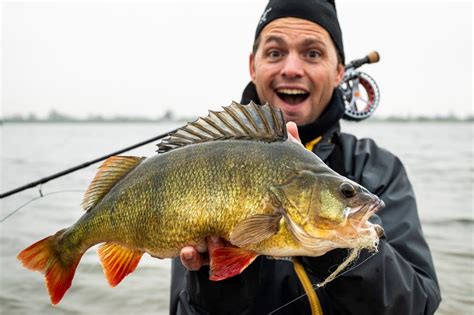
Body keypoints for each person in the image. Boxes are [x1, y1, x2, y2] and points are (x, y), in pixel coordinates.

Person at [169, 0, 441, 314]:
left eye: (312, 53)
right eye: (275, 52)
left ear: (339, 71)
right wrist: (215, 284)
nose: (292, 69)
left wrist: (334, 245)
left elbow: (419, 305)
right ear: (252, 67)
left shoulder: (377, 168)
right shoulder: (206, 162)